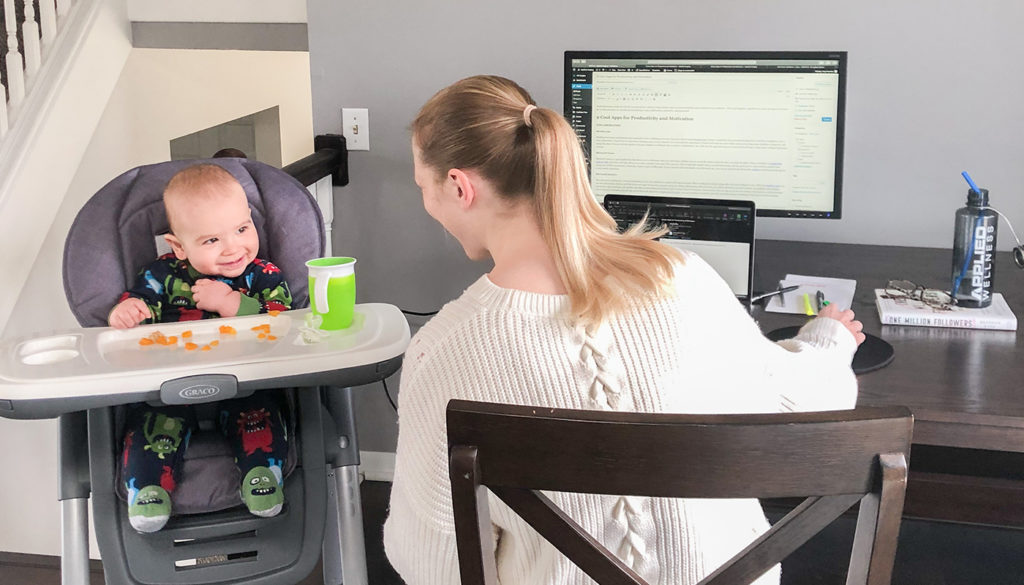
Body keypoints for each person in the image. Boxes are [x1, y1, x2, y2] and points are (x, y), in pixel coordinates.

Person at [382, 75, 866, 585]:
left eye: (422, 187)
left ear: (460, 187)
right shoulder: (681, 278)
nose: (426, 203)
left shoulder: (441, 353)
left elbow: (435, 565)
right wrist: (828, 340)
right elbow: (803, 400)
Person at [109, 163, 291, 533]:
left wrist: (232, 304)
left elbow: (283, 318)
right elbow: (140, 305)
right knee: (149, 429)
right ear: (177, 246)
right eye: (212, 240)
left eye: (242, 229)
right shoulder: (161, 276)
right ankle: (147, 489)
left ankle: (261, 474)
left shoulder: (261, 274)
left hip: (244, 383)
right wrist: (126, 312)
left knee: (260, 417)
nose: (233, 248)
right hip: (169, 389)